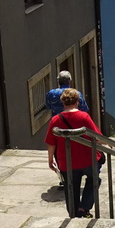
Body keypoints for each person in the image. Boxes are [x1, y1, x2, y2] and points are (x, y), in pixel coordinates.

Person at [45, 88, 102, 218]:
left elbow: (51, 143)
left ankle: (73, 213)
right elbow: (97, 137)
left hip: (66, 161)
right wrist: (108, 143)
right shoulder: (84, 117)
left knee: (70, 186)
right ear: (78, 101)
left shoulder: (55, 120)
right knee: (94, 180)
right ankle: (84, 207)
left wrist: (50, 160)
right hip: (87, 159)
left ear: (62, 102)